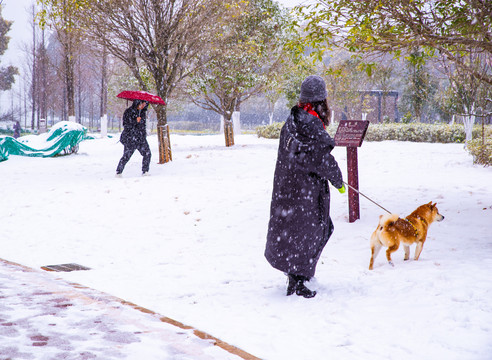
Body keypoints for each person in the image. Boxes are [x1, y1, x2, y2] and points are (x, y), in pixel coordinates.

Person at [264, 75, 346, 298]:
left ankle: (296, 276)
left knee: (296, 232)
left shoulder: (292, 121)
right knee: (315, 231)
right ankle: (299, 281)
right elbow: (320, 158)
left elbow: (301, 155)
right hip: (306, 192)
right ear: (322, 102)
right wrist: (338, 180)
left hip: (289, 189)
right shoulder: (310, 124)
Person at [116, 99, 151, 177]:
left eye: (145, 104)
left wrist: (143, 133)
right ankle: (118, 172)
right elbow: (126, 125)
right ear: (138, 103)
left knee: (147, 153)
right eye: (142, 104)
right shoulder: (128, 112)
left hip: (141, 138)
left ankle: (145, 171)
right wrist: (135, 121)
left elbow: (142, 126)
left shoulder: (142, 113)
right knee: (126, 156)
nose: (143, 106)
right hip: (130, 138)